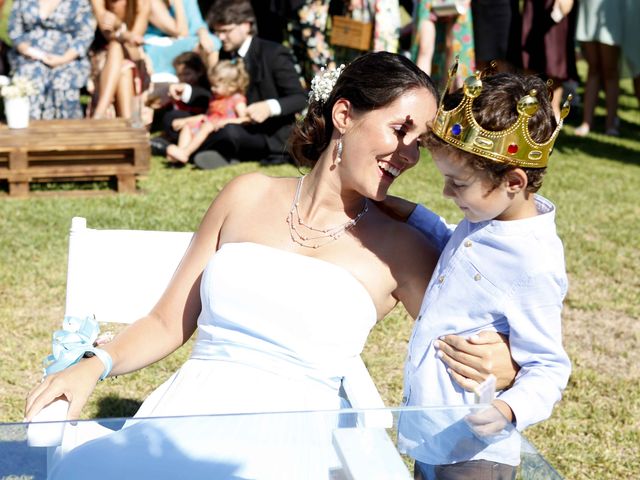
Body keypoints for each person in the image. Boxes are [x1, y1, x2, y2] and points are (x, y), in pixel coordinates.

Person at [25, 52, 516, 479]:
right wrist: (94, 366)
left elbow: (477, 337)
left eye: (420, 141)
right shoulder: (246, 194)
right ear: (345, 114)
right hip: (182, 418)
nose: (409, 155)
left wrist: (505, 363)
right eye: (399, 130)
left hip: (289, 447)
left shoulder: (403, 249)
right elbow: (165, 321)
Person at [393, 67, 572, 479]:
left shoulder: (533, 262)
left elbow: (548, 365)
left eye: (457, 182)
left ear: (513, 180)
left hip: (476, 452)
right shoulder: (485, 220)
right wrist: (412, 214)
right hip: (435, 436)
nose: (446, 193)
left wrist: (509, 408)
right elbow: (459, 248)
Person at [176, 0, 307, 169]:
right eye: (217, 32)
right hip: (224, 121)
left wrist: (269, 107)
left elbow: (300, 98)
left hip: (263, 132)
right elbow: (216, 96)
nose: (221, 37)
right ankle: (218, 153)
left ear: (246, 25)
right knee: (173, 119)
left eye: (225, 31)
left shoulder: (274, 53)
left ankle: (192, 150)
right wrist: (186, 91)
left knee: (230, 132)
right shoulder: (225, 53)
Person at [7, 0, 96, 119]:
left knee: (63, 79)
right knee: (32, 76)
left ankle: (67, 130)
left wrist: (63, 59)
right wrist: (33, 53)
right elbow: (14, 31)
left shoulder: (79, 2)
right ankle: (28, 128)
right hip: (30, 57)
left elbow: (85, 34)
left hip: (68, 58)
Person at [166, 59, 249, 165]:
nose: (212, 89)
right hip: (207, 125)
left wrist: (227, 122)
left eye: (216, 86)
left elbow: (245, 119)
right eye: (212, 85)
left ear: (231, 86)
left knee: (207, 126)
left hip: (217, 130)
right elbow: (207, 116)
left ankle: (186, 153)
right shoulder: (215, 98)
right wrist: (188, 120)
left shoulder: (237, 99)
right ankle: (181, 152)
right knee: (187, 126)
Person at [89, 0, 151, 119]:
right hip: (104, 57)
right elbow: (107, 33)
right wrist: (126, 34)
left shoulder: (143, 3)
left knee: (118, 51)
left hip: (132, 54)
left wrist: (118, 24)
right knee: (123, 65)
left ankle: (99, 113)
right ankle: (128, 122)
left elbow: (134, 41)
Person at [521, 0, 578, 122]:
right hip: (534, 6)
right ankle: (529, 110)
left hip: (556, 6)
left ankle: (553, 113)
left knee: (554, 58)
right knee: (530, 53)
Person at [574, 0, 624, 137]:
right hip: (590, 7)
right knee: (593, 69)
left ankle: (611, 123)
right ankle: (587, 122)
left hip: (612, 11)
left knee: (610, 71)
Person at [143, 0, 220, 81]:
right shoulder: (151, 2)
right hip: (156, 46)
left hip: (181, 40)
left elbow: (197, 24)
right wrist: (178, 3)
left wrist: (203, 34)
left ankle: (213, 84)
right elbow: (181, 32)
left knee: (211, 43)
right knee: (196, 45)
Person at [411, 0, 475, 89]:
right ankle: (420, 92)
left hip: (458, 3)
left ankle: (449, 97)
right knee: (424, 48)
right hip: (428, 3)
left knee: (455, 50)